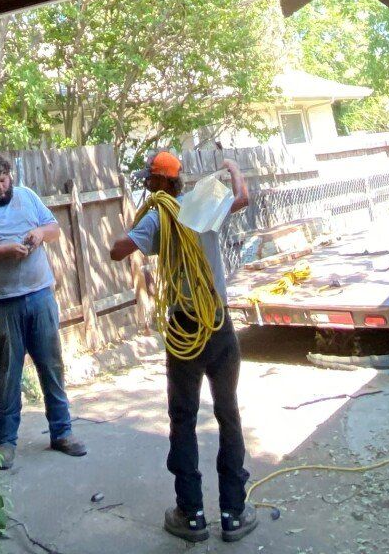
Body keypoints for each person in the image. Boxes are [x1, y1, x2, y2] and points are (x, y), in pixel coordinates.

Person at [110, 151, 256, 544]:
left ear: (155, 184)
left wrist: (138, 226)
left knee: (184, 418)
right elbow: (241, 199)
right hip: (218, 321)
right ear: (179, 182)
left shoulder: (159, 217)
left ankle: (191, 516)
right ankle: (234, 514)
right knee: (228, 413)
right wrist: (234, 170)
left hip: (185, 326)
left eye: (149, 182)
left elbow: (117, 250)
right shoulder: (201, 206)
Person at [0, 153, 89, 469]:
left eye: (3, 181)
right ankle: (6, 443)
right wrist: (4, 250)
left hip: (40, 296)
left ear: (10, 177)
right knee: (8, 374)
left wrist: (40, 234)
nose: (0, 188)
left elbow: (54, 228)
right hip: (3, 304)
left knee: (52, 367)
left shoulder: (28, 197)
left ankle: (62, 432)